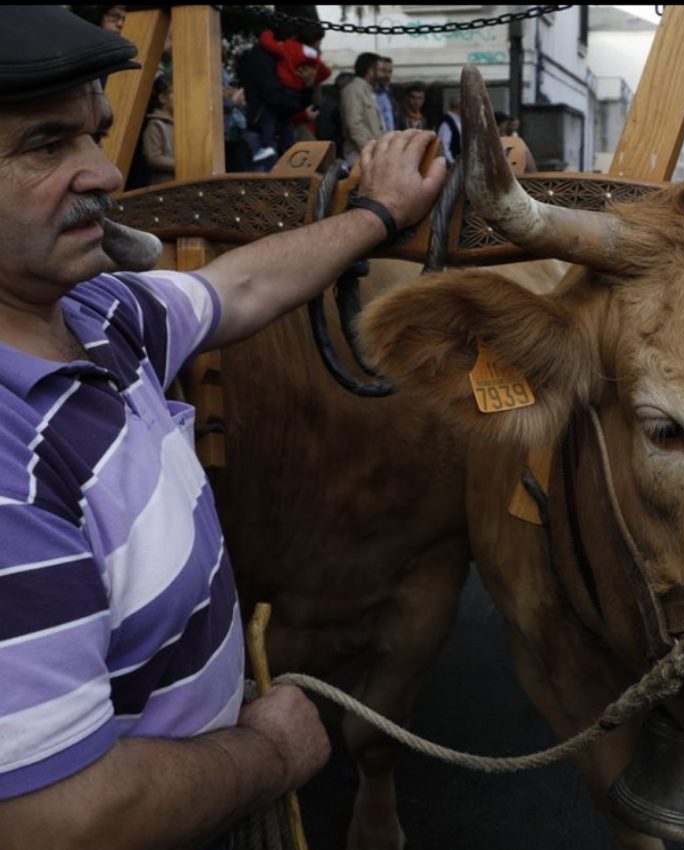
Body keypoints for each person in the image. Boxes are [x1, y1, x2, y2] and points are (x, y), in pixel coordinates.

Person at [0, 7, 447, 850]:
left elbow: (237, 289)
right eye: (46, 145)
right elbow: (56, 820)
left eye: (95, 135)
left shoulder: (97, 311)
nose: (103, 172)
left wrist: (379, 215)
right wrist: (268, 752)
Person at [237, 34, 318, 170]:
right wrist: (299, 97)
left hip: (277, 129)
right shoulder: (264, 58)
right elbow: (275, 97)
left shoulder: (286, 61)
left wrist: (307, 87)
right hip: (261, 129)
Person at [341, 51, 385, 165]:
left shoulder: (369, 91)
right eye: (380, 70)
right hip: (359, 157)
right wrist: (370, 151)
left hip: (371, 157)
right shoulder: (353, 90)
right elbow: (355, 126)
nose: (383, 74)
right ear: (370, 71)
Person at [141, 74, 175, 184]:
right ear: (163, 98)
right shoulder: (156, 124)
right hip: (163, 184)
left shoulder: (179, 123)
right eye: (175, 92)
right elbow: (153, 157)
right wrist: (181, 164)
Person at [435, 94, 462, 166]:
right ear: (459, 106)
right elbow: (444, 144)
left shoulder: (458, 120)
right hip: (450, 164)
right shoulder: (447, 122)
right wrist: (451, 162)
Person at [375, 56, 399, 133]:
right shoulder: (370, 94)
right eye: (384, 71)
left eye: (390, 72)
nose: (387, 75)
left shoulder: (391, 93)